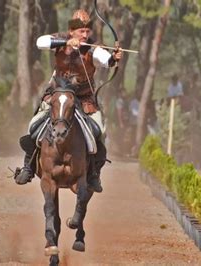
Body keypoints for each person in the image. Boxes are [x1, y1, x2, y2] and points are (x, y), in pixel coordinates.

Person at [14, 9, 122, 193]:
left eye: (87, 31)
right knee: (33, 127)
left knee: (99, 133)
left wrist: (113, 58)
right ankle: (28, 167)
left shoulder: (92, 50)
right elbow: (40, 42)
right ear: (72, 31)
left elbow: (105, 60)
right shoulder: (59, 42)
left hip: (84, 100)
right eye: (81, 31)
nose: (85, 35)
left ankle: (93, 174)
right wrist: (66, 41)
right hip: (58, 98)